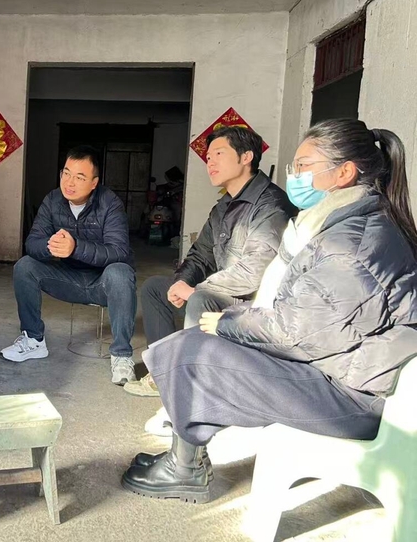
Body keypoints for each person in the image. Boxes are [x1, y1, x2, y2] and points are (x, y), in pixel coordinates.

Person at [122, 119, 417, 503]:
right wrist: (191, 286)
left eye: (304, 166)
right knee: (193, 339)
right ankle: (184, 448)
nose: (295, 177)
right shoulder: (340, 224)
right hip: (337, 366)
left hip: (354, 395)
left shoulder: (349, 242)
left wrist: (228, 321)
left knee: (194, 352)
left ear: (344, 173)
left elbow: (294, 331)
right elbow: (206, 257)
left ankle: (185, 468)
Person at [127, 126, 294, 399]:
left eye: (219, 154)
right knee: (156, 288)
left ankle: (191, 387)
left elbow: (255, 272)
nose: (210, 162)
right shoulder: (223, 207)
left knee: (200, 298)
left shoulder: (270, 205)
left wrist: (198, 289)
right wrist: (182, 281)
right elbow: (201, 255)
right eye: (208, 156)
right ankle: (164, 372)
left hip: (253, 303)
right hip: (224, 292)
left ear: (246, 157)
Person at [1, 145, 138, 385]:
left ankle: (121, 356)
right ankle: (33, 340)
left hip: (103, 284)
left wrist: (75, 247)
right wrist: (50, 246)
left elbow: (118, 251)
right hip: (67, 279)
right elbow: (32, 242)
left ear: (94, 183)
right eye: (66, 173)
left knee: (121, 272)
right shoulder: (53, 200)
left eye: (80, 177)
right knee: (25, 266)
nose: (69, 182)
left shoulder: (110, 203)